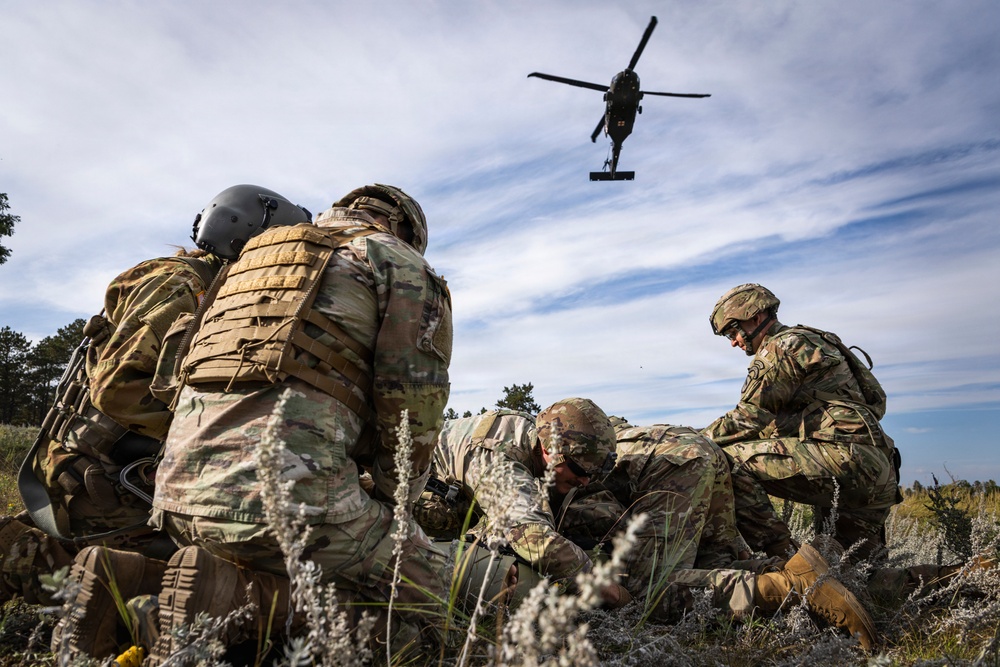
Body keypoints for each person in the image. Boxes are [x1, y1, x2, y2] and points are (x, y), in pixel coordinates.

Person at [143, 184, 454, 664]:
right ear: (405, 228)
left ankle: (133, 582)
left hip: (173, 502)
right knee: (448, 598)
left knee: (297, 559)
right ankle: (232, 603)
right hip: (295, 511)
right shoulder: (397, 259)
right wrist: (397, 503)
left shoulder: (246, 261)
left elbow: (171, 378)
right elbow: (412, 407)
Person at [45, 184, 311, 661]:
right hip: (111, 489)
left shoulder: (191, 283)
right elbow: (121, 390)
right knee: (256, 582)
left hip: (104, 477)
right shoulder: (184, 286)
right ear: (253, 234)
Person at [559, 418, 878, 650]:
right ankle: (805, 575)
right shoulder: (588, 432)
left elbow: (605, 513)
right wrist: (770, 543)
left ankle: (792, 585)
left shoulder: (555, 471)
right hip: (700, 452)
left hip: (674, 468)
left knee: (653, 595)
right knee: (711, 566)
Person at [702, 283, 901, 561]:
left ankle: (789, 559)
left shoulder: (780, 347)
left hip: (844, 461)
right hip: (877, 467)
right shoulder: (812, 339)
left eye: (733, 331)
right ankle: (962, 578)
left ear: (756, 317)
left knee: (724, 460)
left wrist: (690, 441)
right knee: (856, 575)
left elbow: (748, 418)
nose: (734, 341)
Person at [413, 398, 630, 606]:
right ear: (550, 450)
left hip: (446, 514)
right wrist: (613, 593)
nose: (585, 481)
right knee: (510, 584)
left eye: (593, 473)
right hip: (393, 526)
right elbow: (535, 538)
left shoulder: (534, 435)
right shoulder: (500, 458)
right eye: (581, 470)